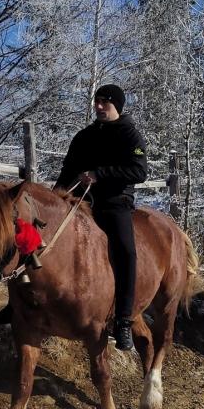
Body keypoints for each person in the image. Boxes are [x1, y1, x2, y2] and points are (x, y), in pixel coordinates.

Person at [54, 84, 147, 351]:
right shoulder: (84, 136)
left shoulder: (130, 135)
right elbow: (67, 172)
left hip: (114, 204)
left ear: (117, 105)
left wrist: (100, 174)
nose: (99, 106)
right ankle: (20, 306)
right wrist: (53, 200)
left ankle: (124, 320)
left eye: (105, 102)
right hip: (81, 201)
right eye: (97, 101)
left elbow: (139, 171)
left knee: (126, 251)